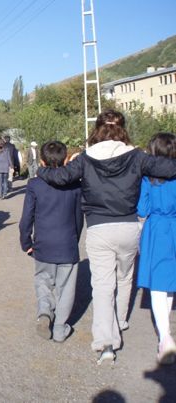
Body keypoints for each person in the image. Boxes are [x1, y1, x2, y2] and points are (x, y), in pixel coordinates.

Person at [36, 109, 176, 365]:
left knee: (102, 286)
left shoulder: (86, 158)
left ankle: (106, 344)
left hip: (99, 229)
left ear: (97, 129)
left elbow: (61, 176)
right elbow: (168, 168)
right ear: (122, 129)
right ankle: (120, 321)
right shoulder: (137, 156)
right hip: (128, 226)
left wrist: (40, 171)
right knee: (124, 279)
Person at [19, 141, 83, 343]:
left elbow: (26, 218)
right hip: (67, 245)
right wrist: (75, 239)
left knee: (43, 282)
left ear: (43, 161)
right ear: (66, 160)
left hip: (43, 244)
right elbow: (78, 219)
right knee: (66, 290)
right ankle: (60, 329)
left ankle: (45, 312)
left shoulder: (34, 184)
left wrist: (26, 242)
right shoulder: (76, 185)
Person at [136, 132, 176, 365]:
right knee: (169, 281)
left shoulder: (149, 177)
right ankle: (165, 334)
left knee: (158, 285)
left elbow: (142, 208)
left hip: (158, 227)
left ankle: (165, 336)